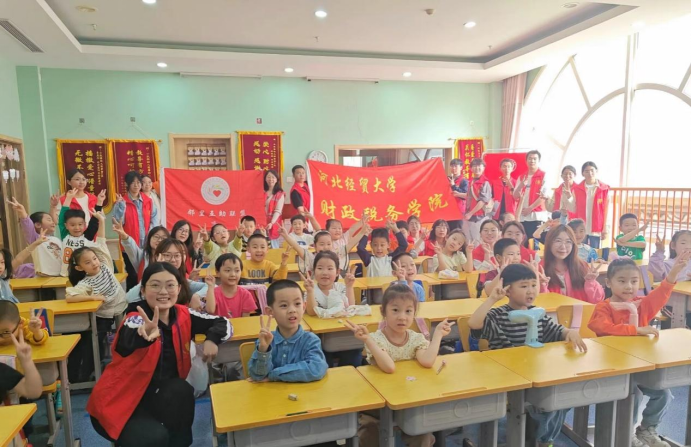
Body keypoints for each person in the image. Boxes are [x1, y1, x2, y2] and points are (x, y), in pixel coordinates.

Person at [88, 262, 232, 446]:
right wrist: (144, 335)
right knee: (155, 438)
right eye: (155, 285)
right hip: (119, 401)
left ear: (179, 289)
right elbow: (129, 336)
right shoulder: (135, 317)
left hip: (155, 396)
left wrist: (212, 339)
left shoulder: (183, 314)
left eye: (170, 285)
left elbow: (222, 322)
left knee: (181, 391)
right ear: (143, 290)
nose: (163, 291)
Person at [469, 263, 587, 447]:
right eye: (524, 286)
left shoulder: (537, 312)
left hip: (535, 373)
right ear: (508, 290)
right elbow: (474, 324)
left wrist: (569, 332)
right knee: (548, 403)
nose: (531, 290)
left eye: (533, 285)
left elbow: (556, 330)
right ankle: (540, 436)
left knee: (562, 396)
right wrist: (491, 299)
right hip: (508, 375)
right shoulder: (498, 315)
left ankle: (543, 439)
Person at [588, 255, 690, 447]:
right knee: (635, 396)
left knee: (664, 394)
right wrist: (635, 330)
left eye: (634, 281)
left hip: (639, 367)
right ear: (608, 283)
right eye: (622, 281)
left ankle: (646, 430)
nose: (629, 286)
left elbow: (662, 293)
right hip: (614, 370)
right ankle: (626, 434)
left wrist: (675, 271)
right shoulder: (604, 307)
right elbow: (601, 327)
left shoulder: (641, 305)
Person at [346, 284, 455, 447]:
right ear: (383, 312)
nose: (402, 317)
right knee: (369, 435)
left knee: (423, 436)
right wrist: (368, 340)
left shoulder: (415, 338)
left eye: (408, 311)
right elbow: (389, 367)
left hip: (408, 401)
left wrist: (438, 334)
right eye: (395, 310)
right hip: (379, 406)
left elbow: (427, 361)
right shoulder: (376, 339)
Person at [67, 211, 127, 358]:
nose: (94, 263)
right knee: (99, 339)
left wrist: (101, 220)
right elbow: (70, 297)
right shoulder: (86, 282)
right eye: (88, 262)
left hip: (121, 306)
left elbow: (101, 242)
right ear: (79, 268)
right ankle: (99, 361)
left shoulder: (105, 265)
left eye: (94, 259)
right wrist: (92, 297)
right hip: (104, 315)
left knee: (126, 333)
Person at [248, 279, 327, 382]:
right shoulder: (265, 340)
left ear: (304, 307)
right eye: (284, 305)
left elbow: (316, 369)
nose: (292, 310)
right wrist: (263, 350)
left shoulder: (310, 340)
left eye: (297, 304)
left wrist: (273, 375)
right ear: (270, 312)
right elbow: (257, 376)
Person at [125, 239, 208, 312]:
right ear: (157, 256)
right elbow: (129, 298)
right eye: (167, 255)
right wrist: (155, 271)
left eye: (177, 255)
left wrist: (197, 296)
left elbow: (209, 286)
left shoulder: (183, 281)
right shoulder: (151, 281)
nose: (173, 260)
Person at [541, 225, 605, 304]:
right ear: (549, 243)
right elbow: (540, 304)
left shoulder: (581, 266)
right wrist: (541, 286)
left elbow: (597, 301)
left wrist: (591, 282)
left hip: (581, 311)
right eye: (558, 241)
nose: (563, 246)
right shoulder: (540, 269)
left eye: (568, 242)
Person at [7, 197, 62, 277]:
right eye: (49, 220)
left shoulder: (55, 239)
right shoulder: (36, 238)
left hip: (59, 275)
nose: (53, 222)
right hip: (44, 277)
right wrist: (22, 212)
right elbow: (27, 226)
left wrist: (53, 207)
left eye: (52, 220)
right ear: (38, 225)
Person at [649, 230, 691, 328]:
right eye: (683, 243)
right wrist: (659, 251)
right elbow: (656, 272)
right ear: (673, 245)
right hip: (671, 304)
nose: (688, 246)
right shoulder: (668, 264)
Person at [58, 189, 104, 277]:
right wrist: (68, 198)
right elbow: (62, 217)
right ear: (66, 226)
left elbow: (94, 221)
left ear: (84, 224)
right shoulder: (65, 235)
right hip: (66, 275)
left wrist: (99, 202)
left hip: (86, 276)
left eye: (80, 224)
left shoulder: (87, 236)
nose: (77, 228)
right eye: (72, 225)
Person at [112, 171, 160, 248]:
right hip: (129, 246)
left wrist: (150, 236)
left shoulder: (148, 201)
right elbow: (117, 224)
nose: (136, 185)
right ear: (126, 184)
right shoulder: (122, 202)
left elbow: (155, 220)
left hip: (147, 245)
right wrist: (120, 207)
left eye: (138, 182)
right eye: (133, 182)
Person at [205, 253, 256, 318]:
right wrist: (210, 287)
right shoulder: (213, 292)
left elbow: (245, 320)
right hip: (218, 324)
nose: (233, 274)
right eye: (228, 270)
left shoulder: (245, 294)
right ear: (218, 272)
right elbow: (210, 310)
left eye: (237, 271)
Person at [512, 150, 547, 246]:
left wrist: (530, 208)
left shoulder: (543, 175)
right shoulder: (522, 176)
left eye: (535, 159)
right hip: (522, 216)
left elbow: (543, 196)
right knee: (524, 243)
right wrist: (521, 185)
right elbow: (515, 196)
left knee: (536, 244)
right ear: (526, 161)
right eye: (530, 158)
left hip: (537, 216)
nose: (532, 161)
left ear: (539, 161)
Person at [0, 237, 49, 303]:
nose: (0, 266)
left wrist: (35, 243)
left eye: (2, 262)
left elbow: (18, 259)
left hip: (13, 308)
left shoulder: (4, 275)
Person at [572, 161, 610, 248]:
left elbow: (607, 210)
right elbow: (572, 208)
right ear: (582, 173)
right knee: (580, 250)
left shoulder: (604, 189)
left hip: (596, 226)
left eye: (592, 170)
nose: (590, 173)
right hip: (581, 227)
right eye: (586, 171)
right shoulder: (576, 189)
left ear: (596, 171)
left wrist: (605, 228)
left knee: (594, 251)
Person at [464, 158, 493, 243]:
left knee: (478, 241)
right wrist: (457, 194)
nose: (477, 168)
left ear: (483, 168)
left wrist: (470, 213)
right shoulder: (471, 181)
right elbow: (469, 196)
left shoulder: (485, 183)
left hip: (479, 217)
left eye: (479, 166)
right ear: (471, 168)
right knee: (469, 242)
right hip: (470, 216)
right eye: (474, 166)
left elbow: (483, 201)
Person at [264, 170, 286, 249]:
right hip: (262, 222)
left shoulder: (280, 194)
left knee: (273, 246)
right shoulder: (262, 192)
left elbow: (278, 211)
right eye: (268, 177)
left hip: (273, 222)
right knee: (263, 243)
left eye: (273, 177)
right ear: (265, 179)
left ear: (276, 179)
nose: (271, 179)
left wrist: (271, 223)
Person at [448, 158, 468, 231]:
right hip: (447, 210)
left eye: (456, 166)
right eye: (452, 166)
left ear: (461, 167)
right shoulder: (448, 179)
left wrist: (453, 186)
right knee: (447, 231)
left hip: (458, 211)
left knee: (457, 231)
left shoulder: (464, 181)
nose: (453, 168)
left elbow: (465, 195)